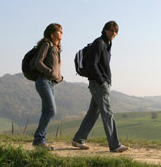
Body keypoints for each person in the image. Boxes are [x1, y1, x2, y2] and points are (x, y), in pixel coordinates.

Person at [72, 21, 129, 152]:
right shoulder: (99, 43)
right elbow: (93, 65)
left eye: (115, 31)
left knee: (93, 113)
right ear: (105, 30)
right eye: (111, 30)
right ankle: (115, 145)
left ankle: (78, 139)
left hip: (101, 83)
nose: (113, 33)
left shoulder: (107, 44)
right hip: (98, 84)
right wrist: (103, 82)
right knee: (107, 113)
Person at [32, 23, 63, 150]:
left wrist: (58, 77)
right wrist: (50, 72)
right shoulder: (46, 44)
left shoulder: (56, 48)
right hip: (43, 81)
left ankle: (40, 141)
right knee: (51, 110)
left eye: (62, 31)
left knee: (47, 111)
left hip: (51, 83)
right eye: (59, 31)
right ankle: (39, 139)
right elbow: (37, 62)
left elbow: (56, 66)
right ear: (52, 33)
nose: (62, 33)